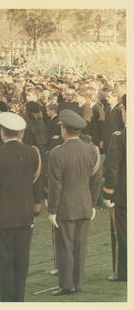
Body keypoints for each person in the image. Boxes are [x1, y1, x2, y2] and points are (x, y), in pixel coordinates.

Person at [0, 112, 43, 302]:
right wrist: (36, 210)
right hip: (25, 216)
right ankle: (19, 300)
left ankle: (7, 301)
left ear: (2, 132)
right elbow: (37, 184)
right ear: (21, 133)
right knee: (21, 262)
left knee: (5, 263)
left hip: (3, 217)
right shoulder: (32, 153)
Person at [47, 109, 103, 296]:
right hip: (85, 204)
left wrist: (52, 209)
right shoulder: (92, 150)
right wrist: (93, 203)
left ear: (64, 129)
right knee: (80, 246)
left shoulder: (57, 153)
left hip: (65, 206)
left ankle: (66, 285)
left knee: (65, 246)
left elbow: (55, 185)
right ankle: (77, 283)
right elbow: (96, 180)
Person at [103, 107, 126, 282]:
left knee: (121, 233)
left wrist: (107, 192)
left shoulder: (119, 136)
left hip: (123, 193)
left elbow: (112, 168)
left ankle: (122, 271)